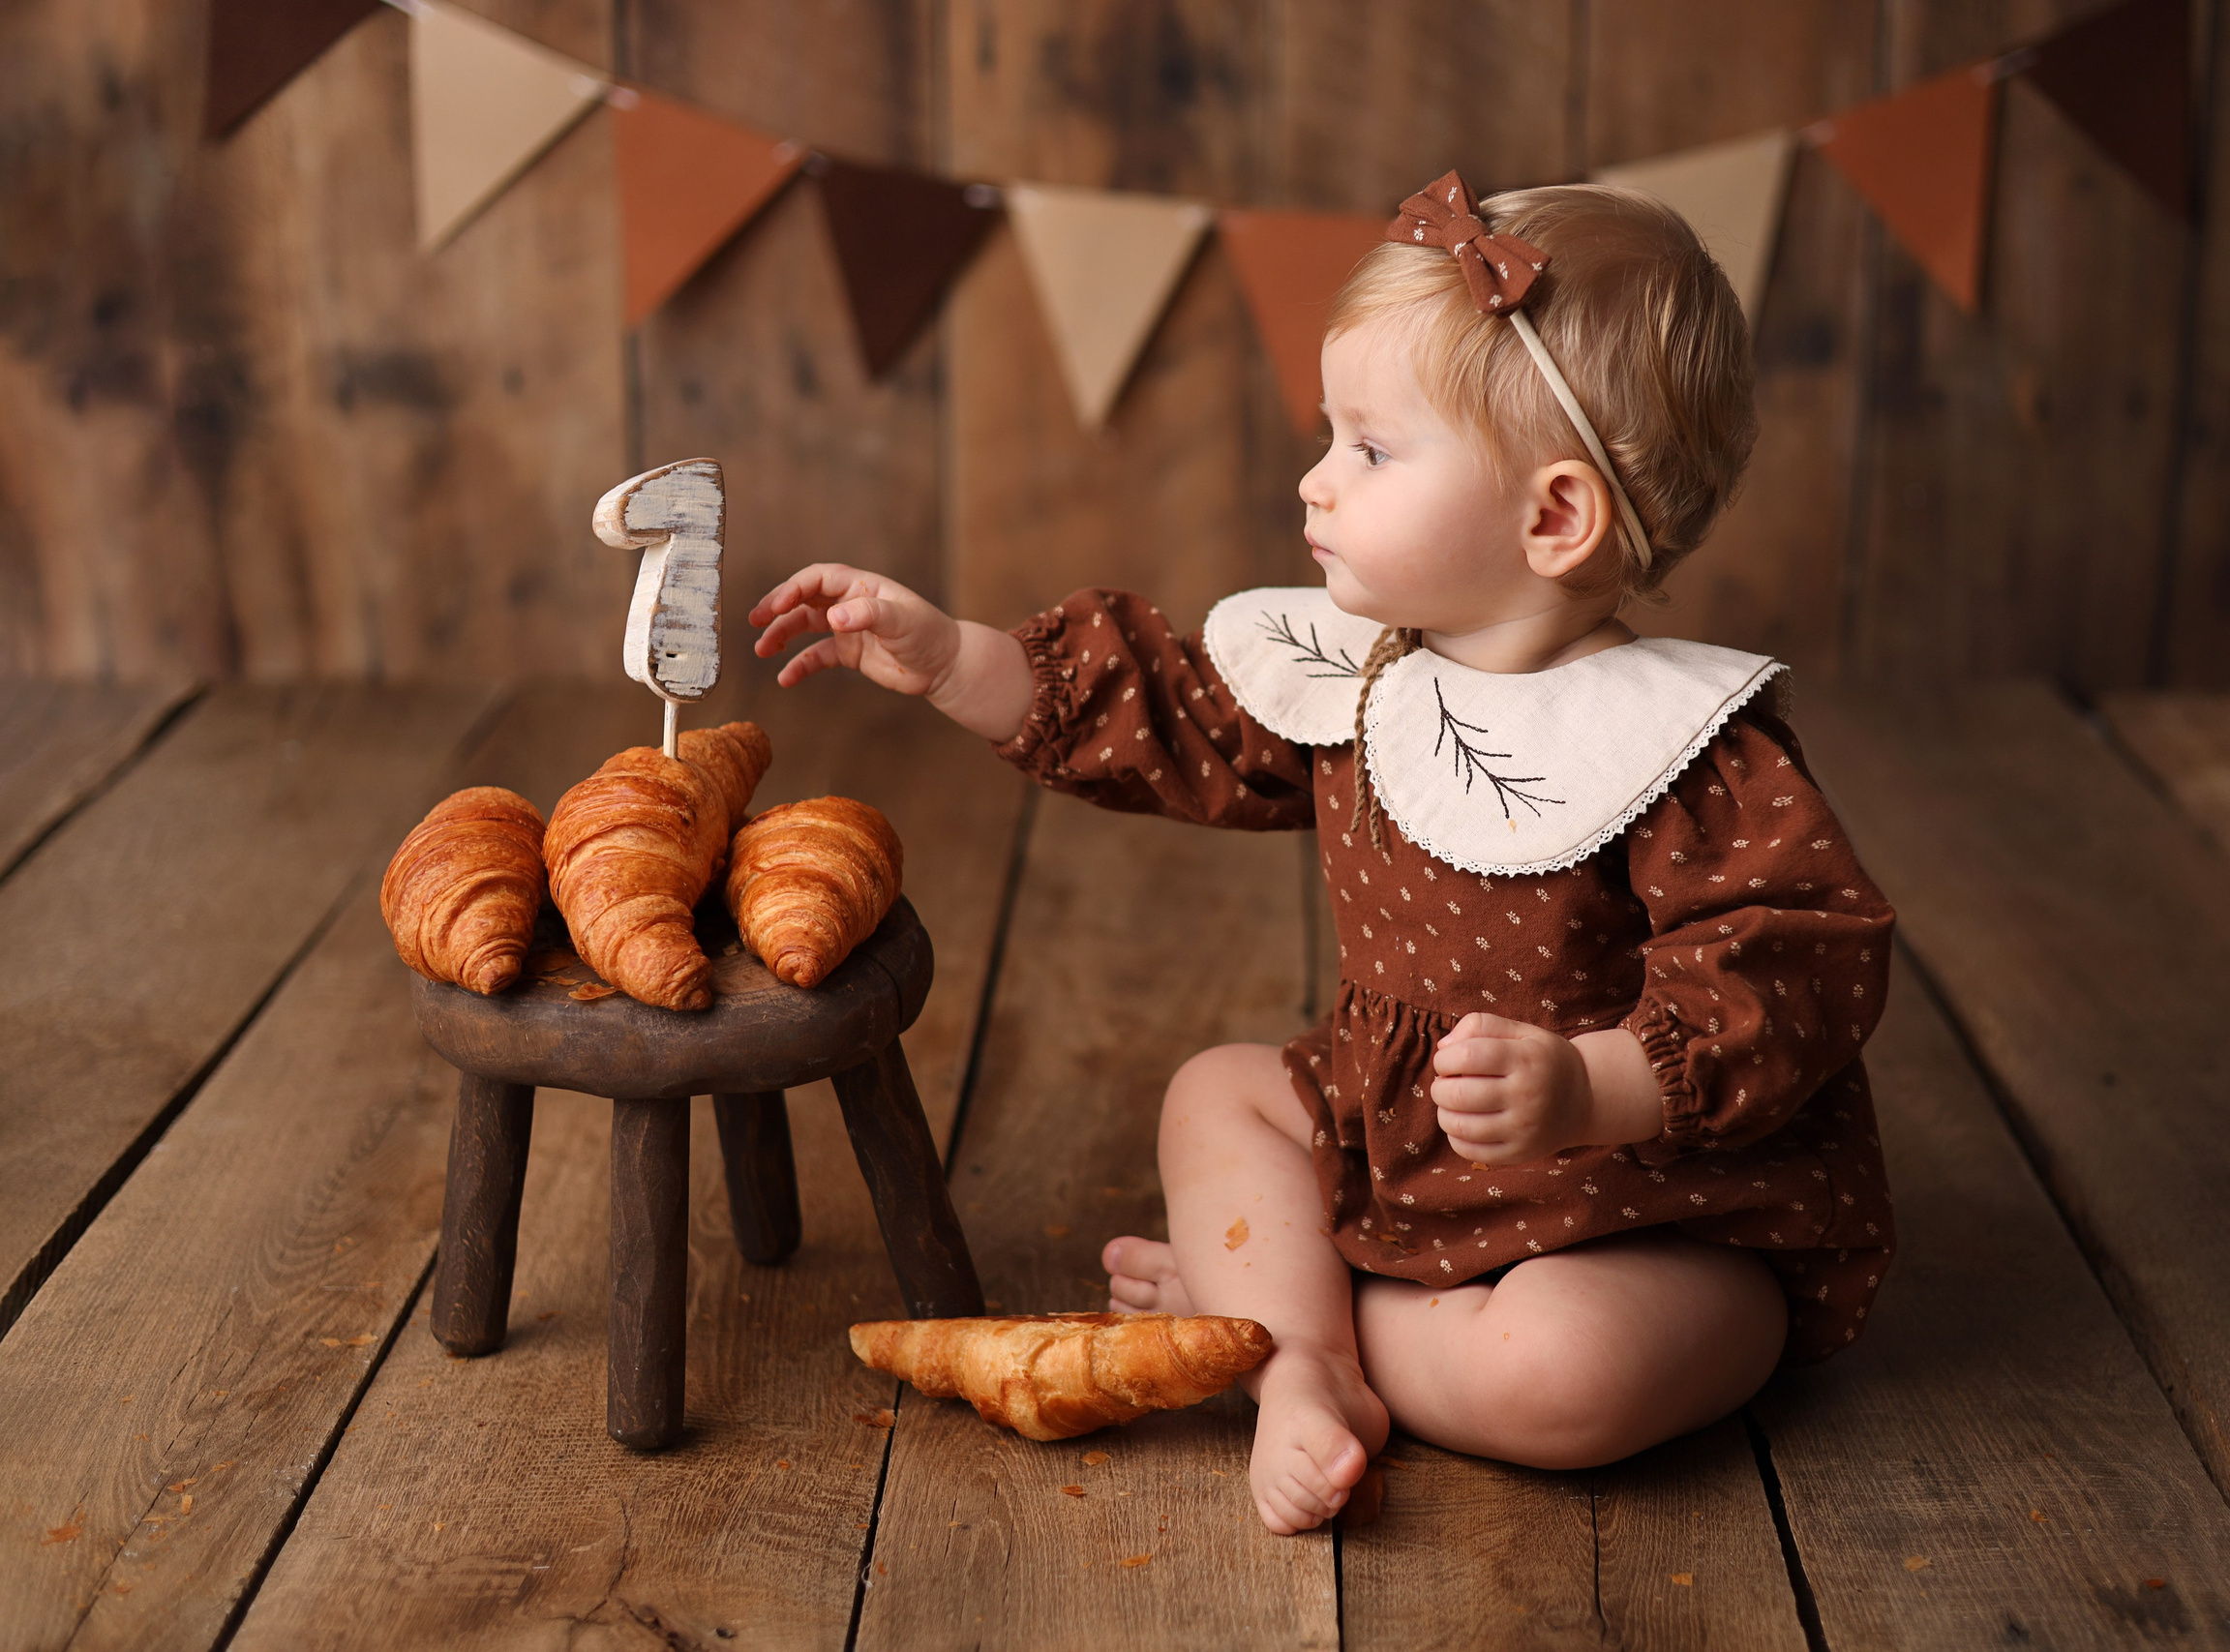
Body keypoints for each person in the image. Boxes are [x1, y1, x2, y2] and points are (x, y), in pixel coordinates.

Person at [748, 172, 1896, 1536]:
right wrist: (956, 660)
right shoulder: (1356, 676)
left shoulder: (1677, 745)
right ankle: (1302, 1369)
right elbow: (1169, 715)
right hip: (1389, 1127)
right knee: (1217, 1095)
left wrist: (1592, 1086)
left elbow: (1797, 966)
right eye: (1329, 435)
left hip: (1641, 1198)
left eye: (1372, 450)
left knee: (1578, 1375)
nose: (1317, 480)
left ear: (1554, 519)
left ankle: (1285, 1326)